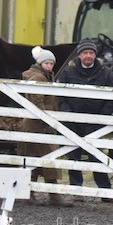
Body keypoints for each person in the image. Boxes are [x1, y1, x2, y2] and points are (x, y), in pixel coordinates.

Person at [57, 38, 113, 201]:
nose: (88, 56)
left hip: (95, 121)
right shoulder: (68, 72)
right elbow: (60, 96)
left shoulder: (104, 72)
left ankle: (105, 191)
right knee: (73, 155)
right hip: (73, 120)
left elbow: (112, 96)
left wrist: (102, 115)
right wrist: (68, 113)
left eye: (91, 53)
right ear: (79, 55)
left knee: (97, 156)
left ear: (95, 55)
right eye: (85, 53)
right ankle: (76, 189)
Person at [19, 46, 73, 207]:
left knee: (40, 158)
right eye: (47, 63)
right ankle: (48, 195)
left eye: (51, 63)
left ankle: (34, 194)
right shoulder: (38, 77)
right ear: (40, 63)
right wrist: (45, 118)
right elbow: (37, 99)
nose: (49, 66)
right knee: (45, 158)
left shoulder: (45, 76)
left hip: (40, 124)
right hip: (38, 124)